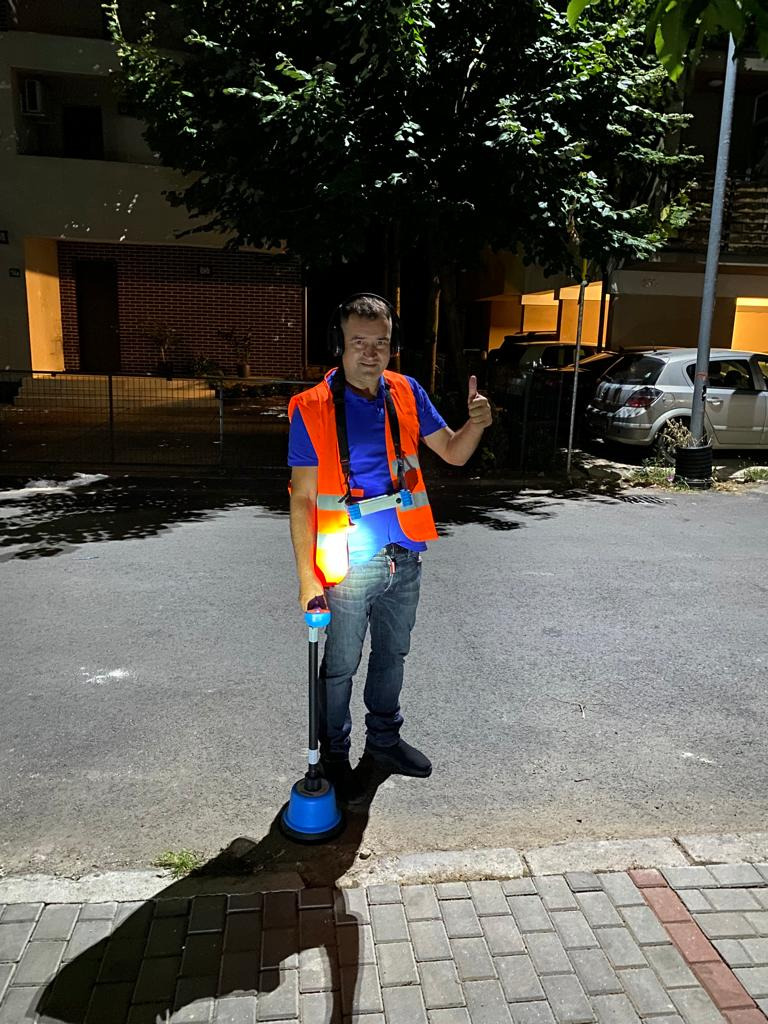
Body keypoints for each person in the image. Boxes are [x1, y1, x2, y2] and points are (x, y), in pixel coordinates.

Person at [287, 293, 492, 798]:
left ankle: (383, 742)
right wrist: (308, 579)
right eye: (359, 341)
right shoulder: (312, 407)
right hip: (349, 561)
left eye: (380, 342)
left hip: (405, 553)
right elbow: (303, 499)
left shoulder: (406, 391)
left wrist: (476, 424)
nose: (371, 352)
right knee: (340, 666)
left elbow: (453, 452)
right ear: (339, 344)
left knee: (392, 654)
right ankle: (334, 757)